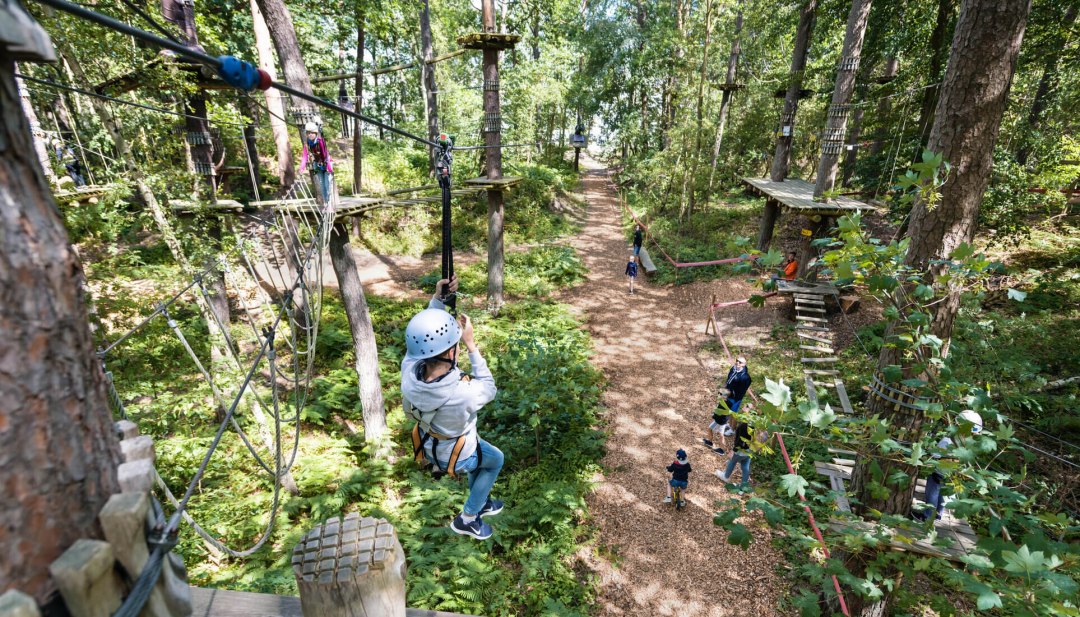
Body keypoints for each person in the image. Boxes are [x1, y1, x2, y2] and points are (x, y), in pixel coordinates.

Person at [401, 276, 504, 540]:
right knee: (494, 460)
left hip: (430, 444)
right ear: (450, 353)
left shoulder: (410, 370)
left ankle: (481, 500)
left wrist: (439, 299)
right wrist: (471, 345)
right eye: (456, 345)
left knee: (481, 458)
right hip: (458, 454)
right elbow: (489, 387)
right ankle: (468, 518)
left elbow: (424, 337)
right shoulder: (462, 393)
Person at [914, 409, 983, 522]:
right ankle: (938, 514)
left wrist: (930, 449)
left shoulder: (948, 440)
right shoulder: (971, 444)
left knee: (932, 494)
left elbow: (936, 454)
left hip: (940, 472)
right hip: (954, 475)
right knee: (944, 495)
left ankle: (928, 516)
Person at [703, 357, 751, 454]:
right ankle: (710, 441)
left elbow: (740, 391)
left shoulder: (745, 377)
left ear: (744, 364)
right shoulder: (733, 369)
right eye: (737, 361)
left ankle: (723, 449)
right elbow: (728, 381)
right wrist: (724, 392)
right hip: (725, 401)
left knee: (721, 433)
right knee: (710, 428)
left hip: (732, 400)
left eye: (740, 362)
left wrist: (732, 396)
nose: (737, 363)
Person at [715, 407, 760, 487]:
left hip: (740, 450)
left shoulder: (744, 425)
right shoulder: (755, 424)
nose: (743, 408)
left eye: (747, 407)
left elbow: (740, 440)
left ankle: (725, 476)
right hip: (749, 450)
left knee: (732, 461)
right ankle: (744, 485)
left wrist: (733, 450)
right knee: (745, 467)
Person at [300, 121, 334, 205]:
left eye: (312, 133)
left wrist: (329, 168)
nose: (310, 135)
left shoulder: (320, 141)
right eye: (308, 133)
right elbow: (305, 157)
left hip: (326, 164)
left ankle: (330, 204)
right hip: (318, 165)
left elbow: (325, 154)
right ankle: (326, 204)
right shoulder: (307, 143)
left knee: (327, 185)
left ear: (315, 133)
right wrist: (301, 169)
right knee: (322, 186)